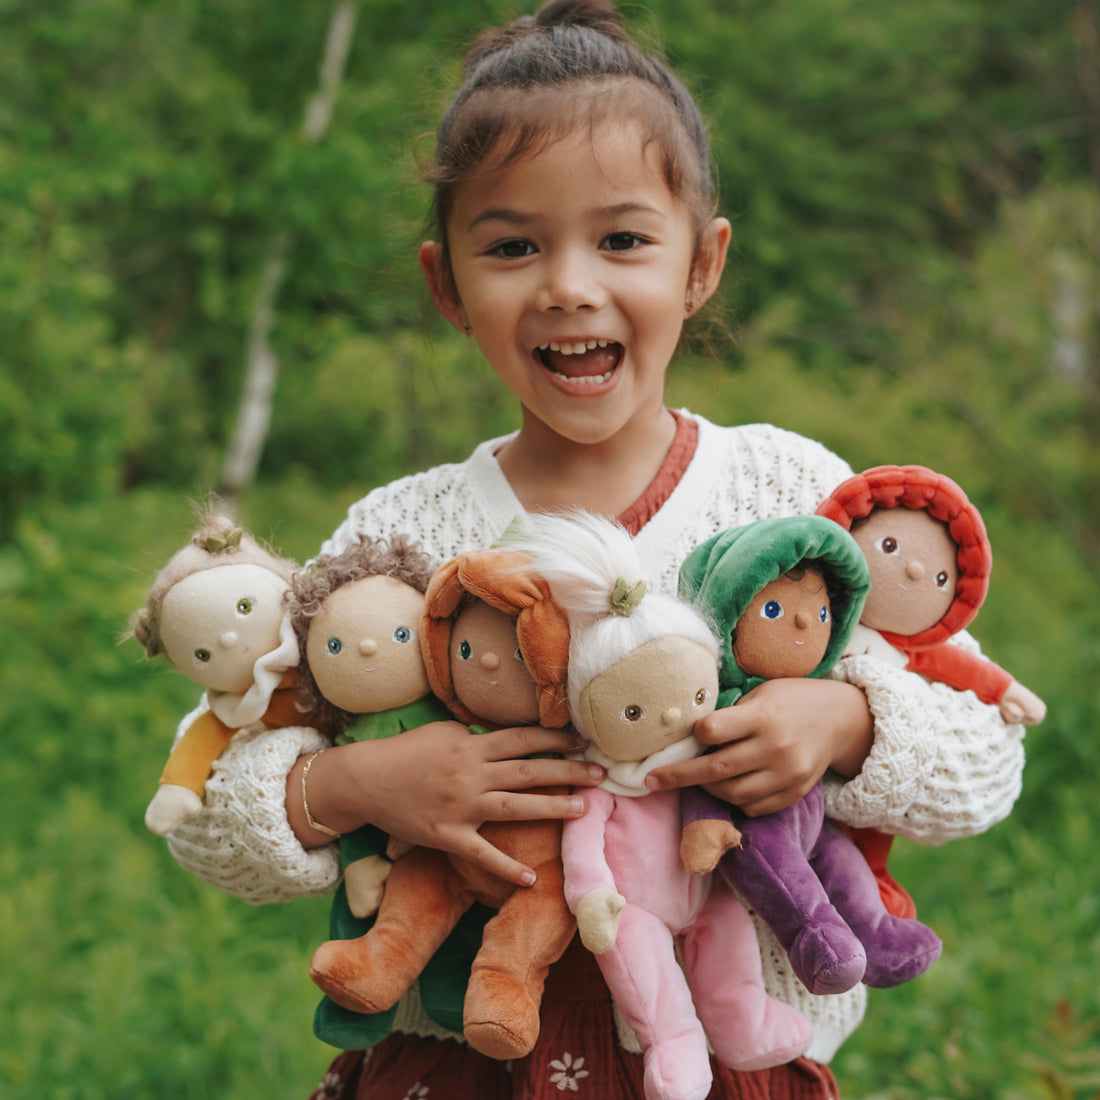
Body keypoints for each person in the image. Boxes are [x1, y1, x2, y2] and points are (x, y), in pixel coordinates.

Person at [159, 2, 1026, 1097]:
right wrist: (354, 781)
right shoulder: (404, 535)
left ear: (700, 265)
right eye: (512, 245)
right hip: (457, 1064)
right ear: (447, 287)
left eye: (620, 238)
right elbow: (203, 813)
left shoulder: (787, 495)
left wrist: (847, 721)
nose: (568, 283)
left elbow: (984, 753)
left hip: (727, 1057)